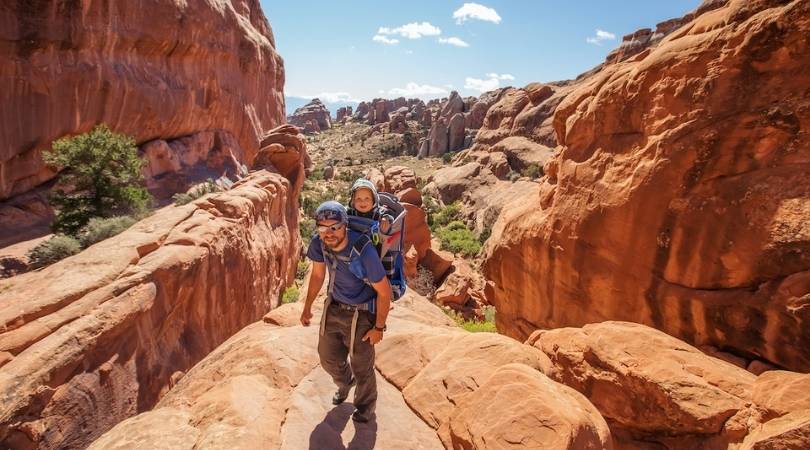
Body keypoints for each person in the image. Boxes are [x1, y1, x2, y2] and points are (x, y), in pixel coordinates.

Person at [300, 201, 392, 423]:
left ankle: (365, 407)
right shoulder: (319, 244)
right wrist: (307, 307)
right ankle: (344, 383)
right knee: (327, 358)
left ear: (345, 225)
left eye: (334, 227)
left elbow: (384, 291)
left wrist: (379, 327)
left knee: (362, 365)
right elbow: (318, 275)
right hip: (334, 306)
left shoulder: (363, 249)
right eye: (322, 228)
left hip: (362, 314)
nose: (328, 233)